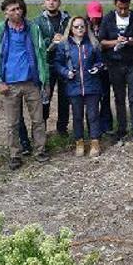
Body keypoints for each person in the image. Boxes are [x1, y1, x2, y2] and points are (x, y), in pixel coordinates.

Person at [0, 0, 50, 170]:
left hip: (31, 82)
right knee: (12, 123)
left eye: (19, 8)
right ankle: (15, 155)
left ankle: (40, 150)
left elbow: (42, 55)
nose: (16, 12)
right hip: (9, 85)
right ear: (5, 12)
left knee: (38, 120)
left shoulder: (32, 29)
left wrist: (45, 79)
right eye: (12, 9)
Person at [98, 0, 133, 143]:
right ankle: (121, 128)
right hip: (114, 64)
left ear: (129, 5)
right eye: (120, 8)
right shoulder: (108, 19)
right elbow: (101, 41)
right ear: (115, 5)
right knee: (119, 97)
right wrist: (115, 42)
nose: (123, 11)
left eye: (126, 8)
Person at [55, 16, 104, 158]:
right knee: (77, 116)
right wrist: (66, 72)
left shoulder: (93, 44)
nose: (79, 29)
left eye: (82, 26)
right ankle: (79, 142)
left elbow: (100, 61)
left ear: (86, 27)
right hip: (74, 86)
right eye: (76, 27)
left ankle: (95, 141)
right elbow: (58, 63)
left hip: (91, 85)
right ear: (71, 29)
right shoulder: (64, 45)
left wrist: (97, 67)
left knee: (93, 115)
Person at [34, 0, 71, 135]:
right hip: (47, 65)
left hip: (64, 63)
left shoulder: (68, 20)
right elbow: (36, 44)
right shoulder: (37, 22)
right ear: (44, 2)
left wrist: (64, 40)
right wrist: (51, 42)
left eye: (54, 0)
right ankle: (41, 130)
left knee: (65, 98)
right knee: (45, 98)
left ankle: (62, 129)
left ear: (59, 2)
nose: (51, 2)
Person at [86, 0, 112, 133]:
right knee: (92, 99)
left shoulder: (106, 25)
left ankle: (107, 125)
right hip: (90, 68)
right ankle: (92, 126)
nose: (94, 18)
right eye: (91, 16)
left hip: (105, 67)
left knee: (105, 96)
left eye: (97, 16)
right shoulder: (83, 28)